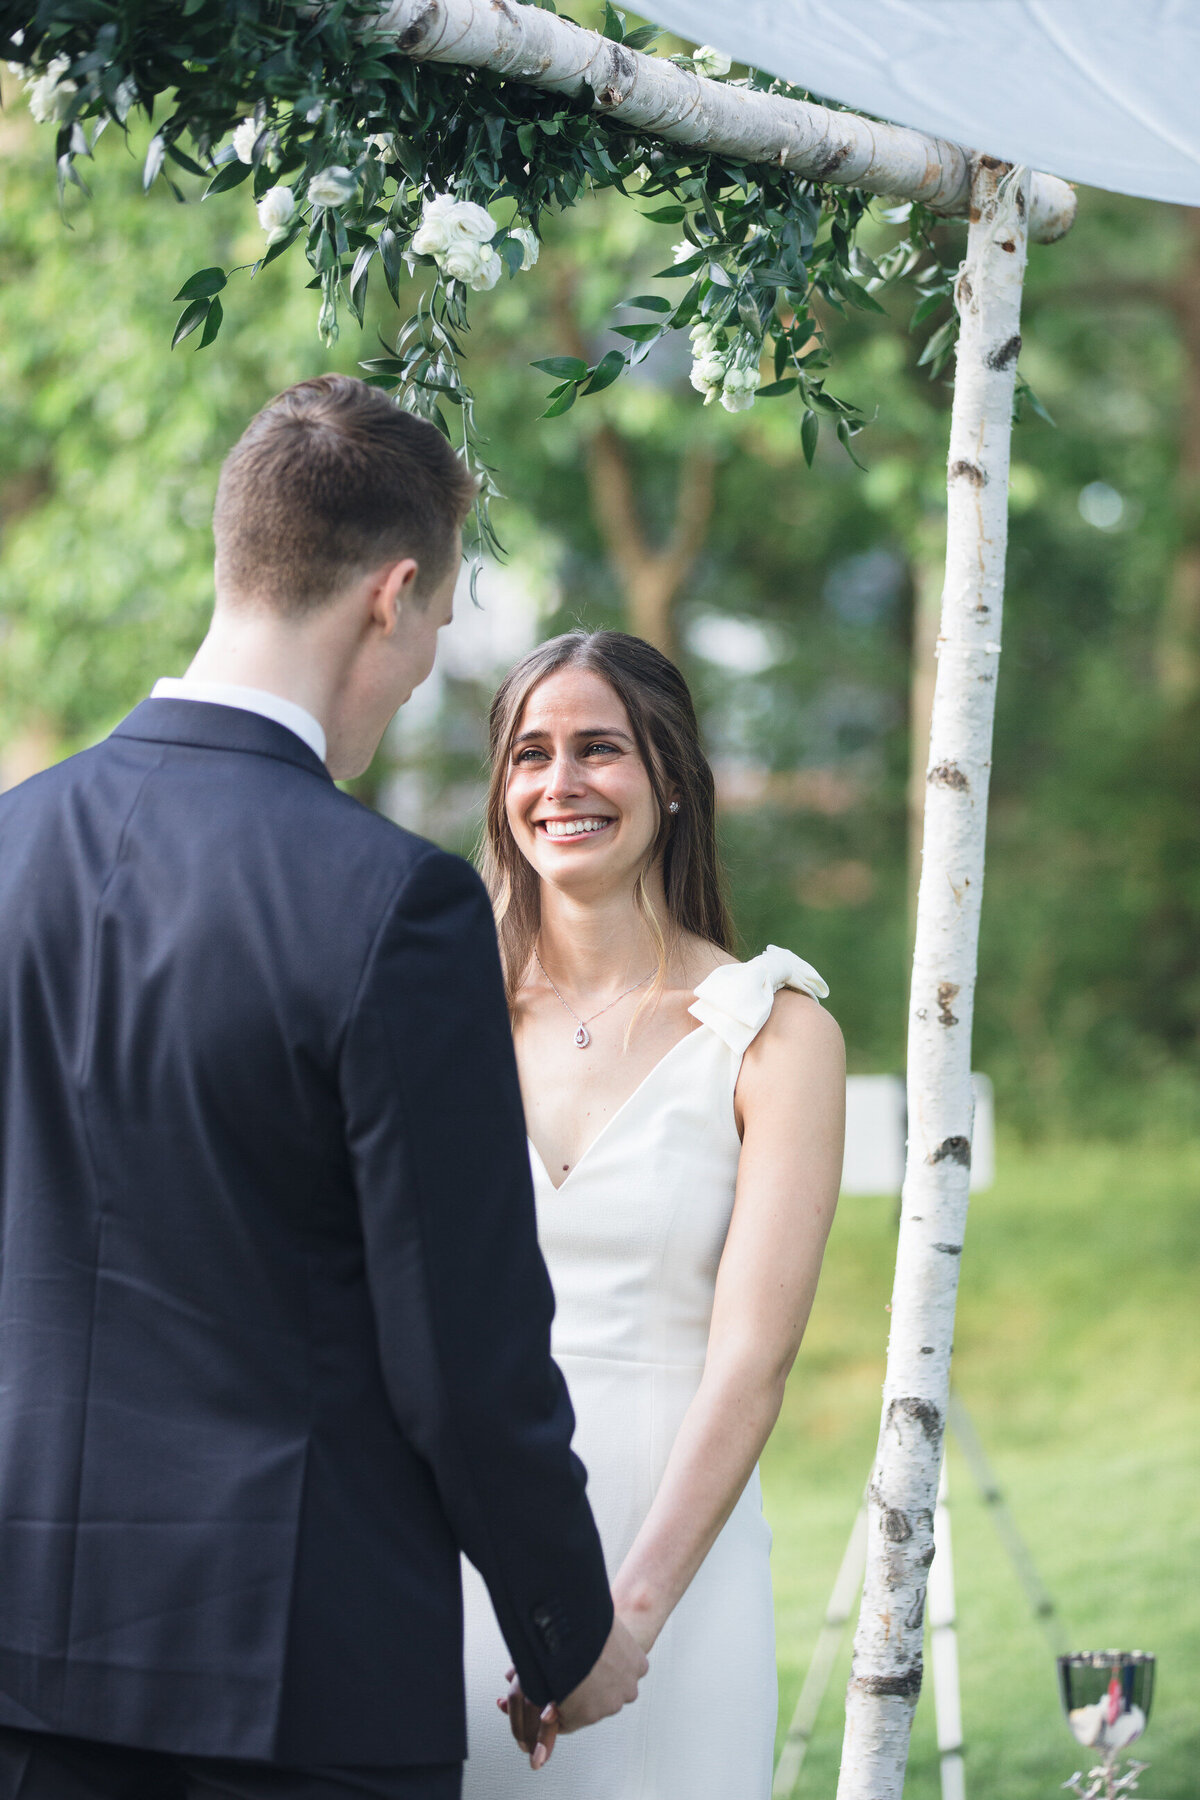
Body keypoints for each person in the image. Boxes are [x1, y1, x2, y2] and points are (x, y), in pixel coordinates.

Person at [0, 377, 646, 1800]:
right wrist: (565, 1624)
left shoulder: (8, 850)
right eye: (436, 622)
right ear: (392, 592)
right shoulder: (393, 906)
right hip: (289, 1689)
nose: (424, 664)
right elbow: (462, 1347)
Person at [461, 630, 846, 1798]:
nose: (560, 784)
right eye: (530, 754)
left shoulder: (772, 1033)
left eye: (599, 750)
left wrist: (617, 1622)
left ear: (670, 777)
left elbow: (753, 1360)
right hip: (456, 1564)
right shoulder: (436, 1014)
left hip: (675, 1575)